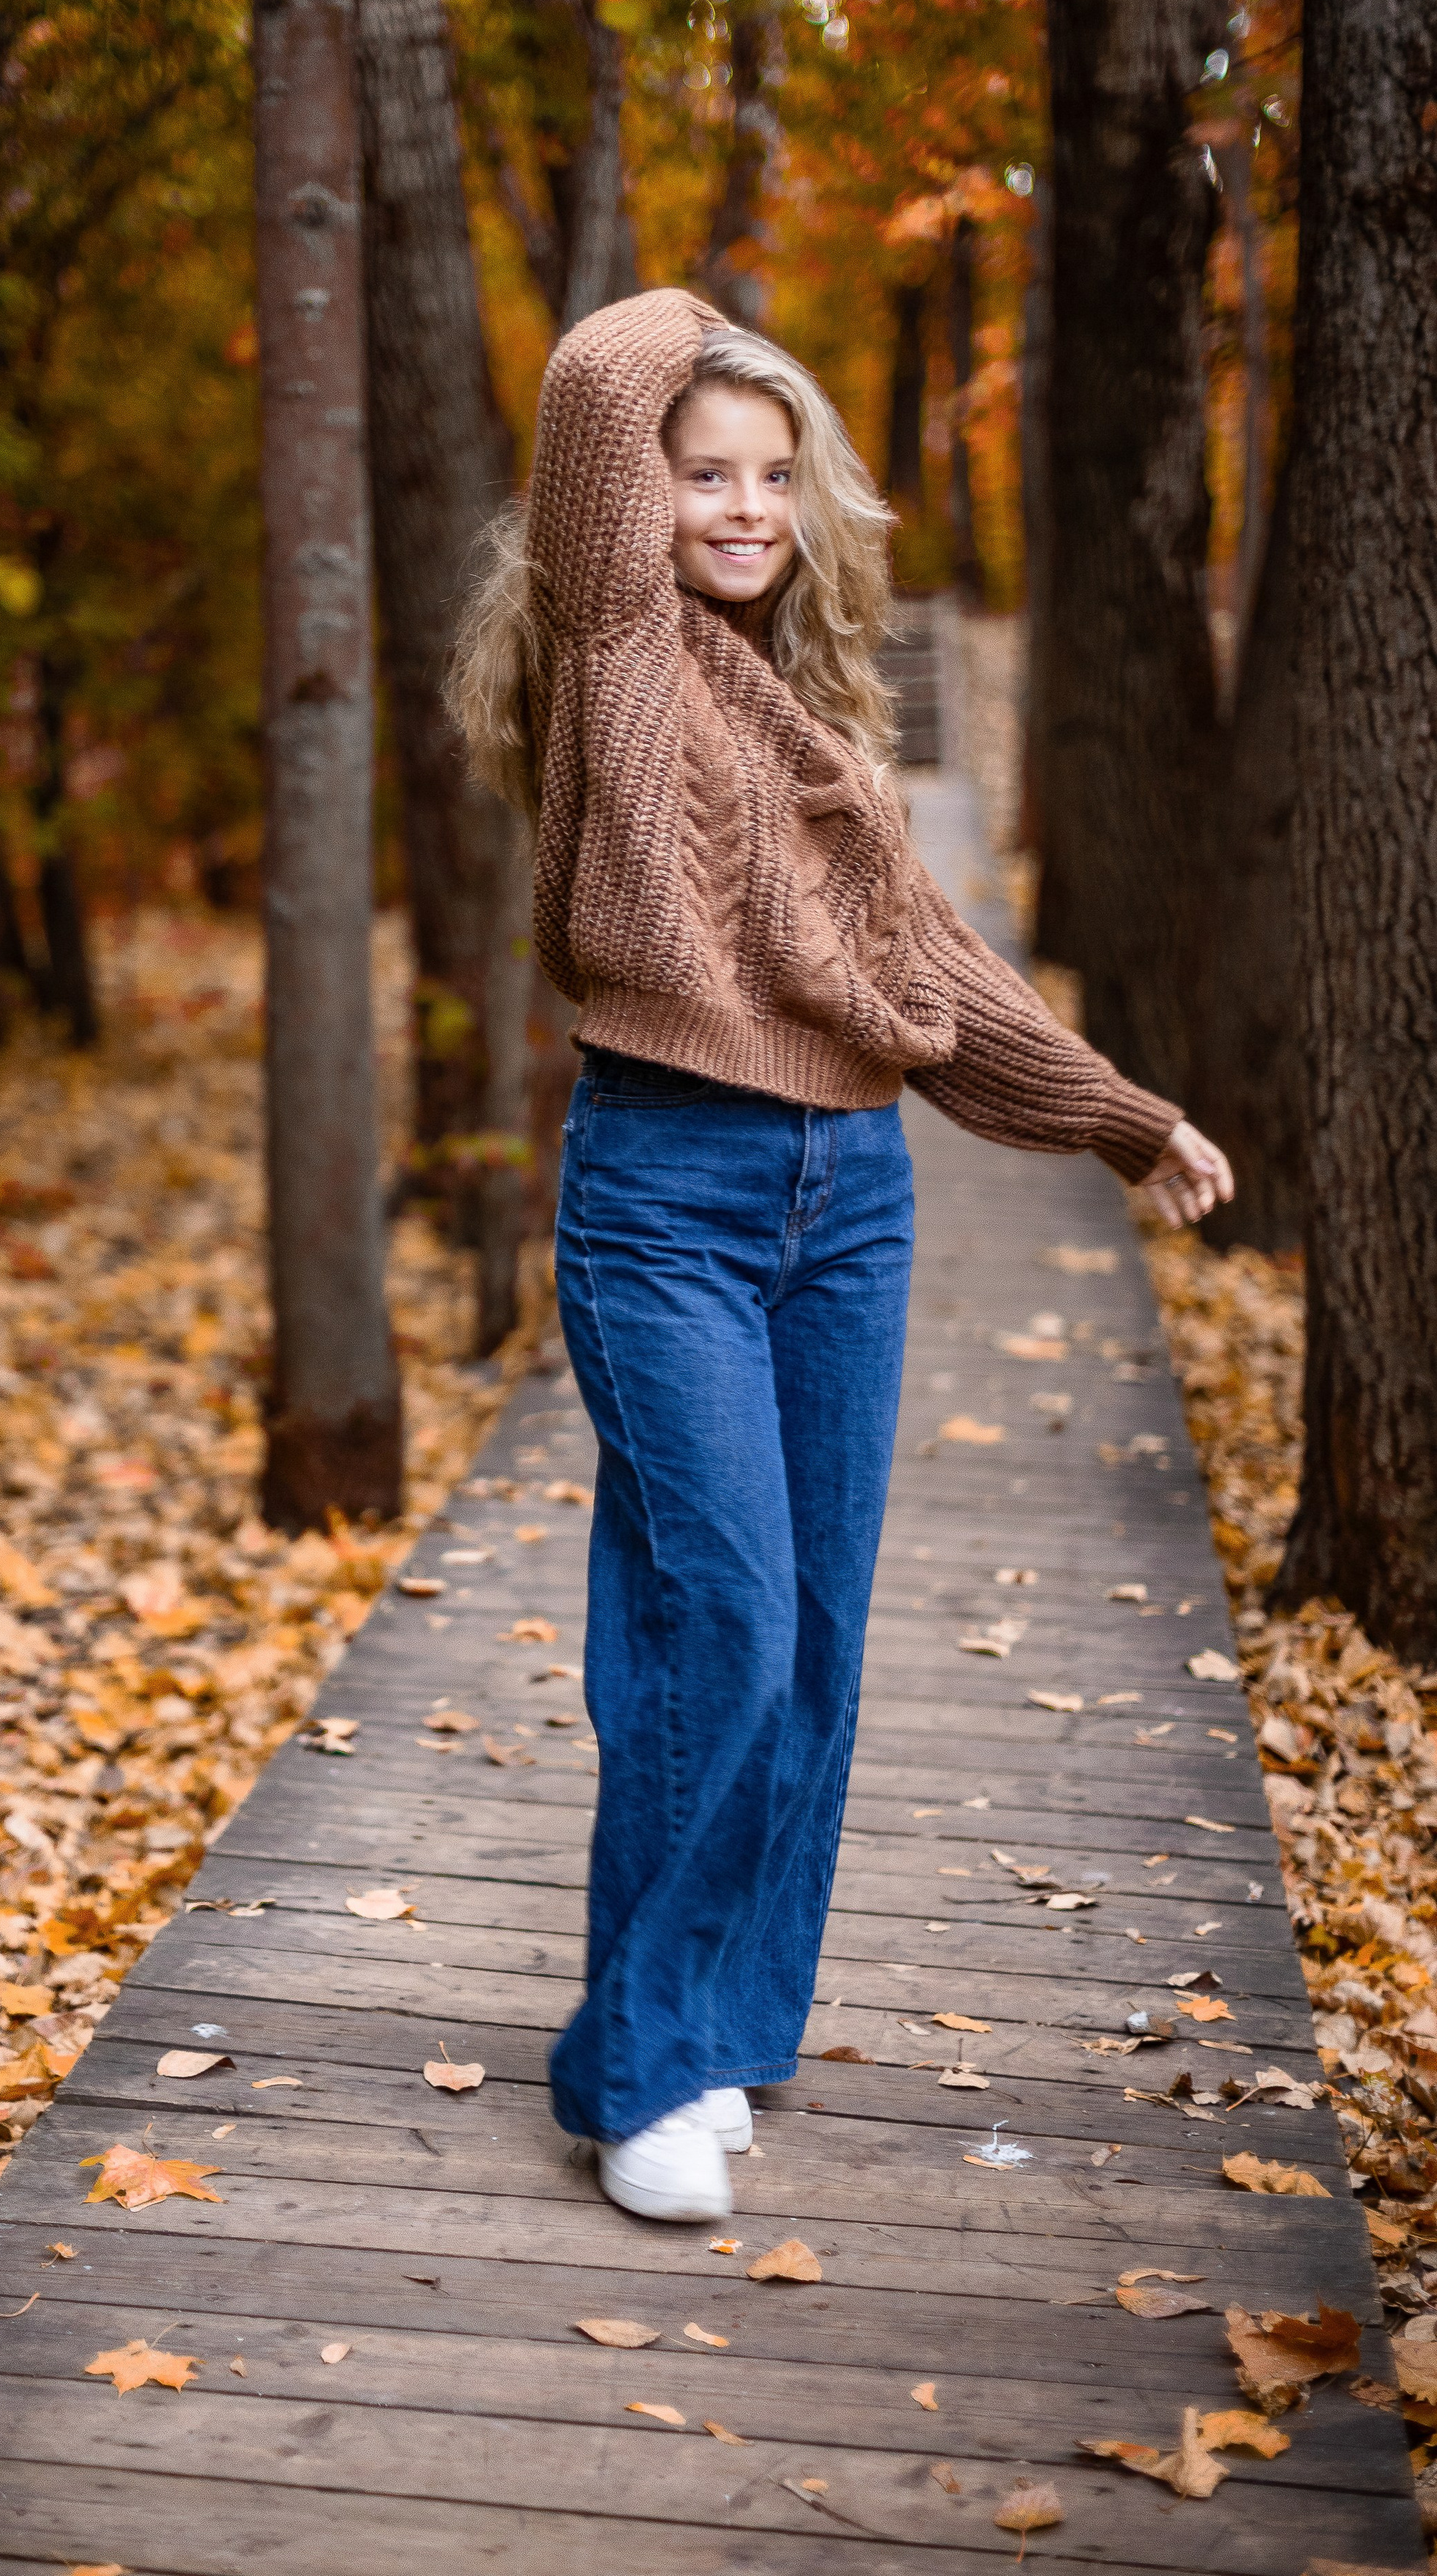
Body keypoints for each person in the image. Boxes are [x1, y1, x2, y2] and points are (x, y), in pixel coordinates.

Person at [447, 288, 1232, 2224]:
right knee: (721, 1618)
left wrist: (1121, 1118)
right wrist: (709, 325)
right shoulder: (615, 650)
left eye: (772, 476)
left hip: (852, 1200)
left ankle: (713, 2026)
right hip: (667, 1192)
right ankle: (640, 2069)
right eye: (701, 472)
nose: (740, 507)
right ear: (634, 498)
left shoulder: (814, 717)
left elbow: (934, 977)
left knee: (808, 1640)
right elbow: (587, 389)